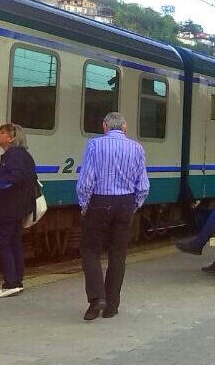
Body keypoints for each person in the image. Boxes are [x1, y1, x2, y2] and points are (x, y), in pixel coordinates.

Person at [76, 113, 150, 321]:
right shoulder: (136, 148)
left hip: (99, 202)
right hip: (125, 203)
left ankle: (97, 299)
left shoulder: (94, 145)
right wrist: (134, 205)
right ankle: (112, 306)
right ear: (125, 128)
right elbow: (143, 185)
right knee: (118, 255)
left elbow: (86, 181)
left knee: (90, 250)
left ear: (104, 126)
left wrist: (84, 205)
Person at [0, 124, 37, 298]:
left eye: (2, 132)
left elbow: (16, 176)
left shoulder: (13, 155)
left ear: (11, 138)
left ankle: (10, 283)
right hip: (16, 207)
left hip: (9, 208)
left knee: (3, 244)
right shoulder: (20, 155)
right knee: (14, 243)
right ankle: (16, 282)